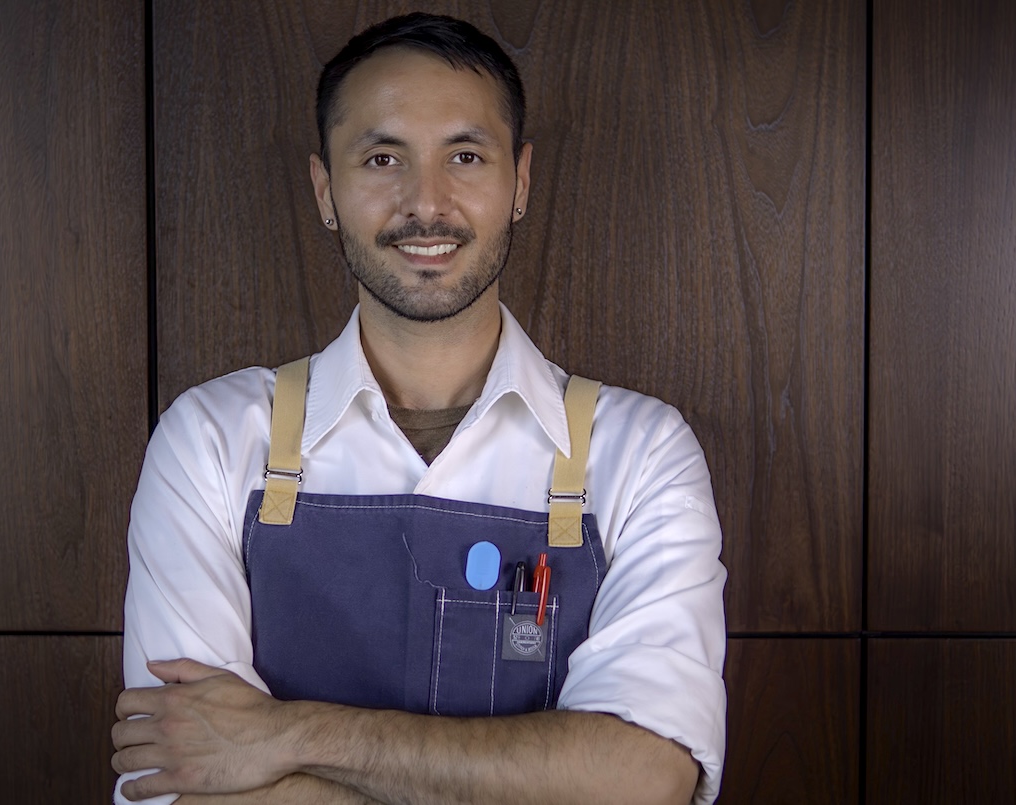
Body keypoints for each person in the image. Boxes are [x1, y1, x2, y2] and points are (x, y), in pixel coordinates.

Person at [111, 12, 726, 805]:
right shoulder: (210, 441)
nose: (425, 203)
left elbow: (644, 780)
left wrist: (287, 736)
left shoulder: (639, 452)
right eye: (382, 157)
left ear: (521, 181)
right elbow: (184, 782)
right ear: (325, 190)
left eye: (465, 156)